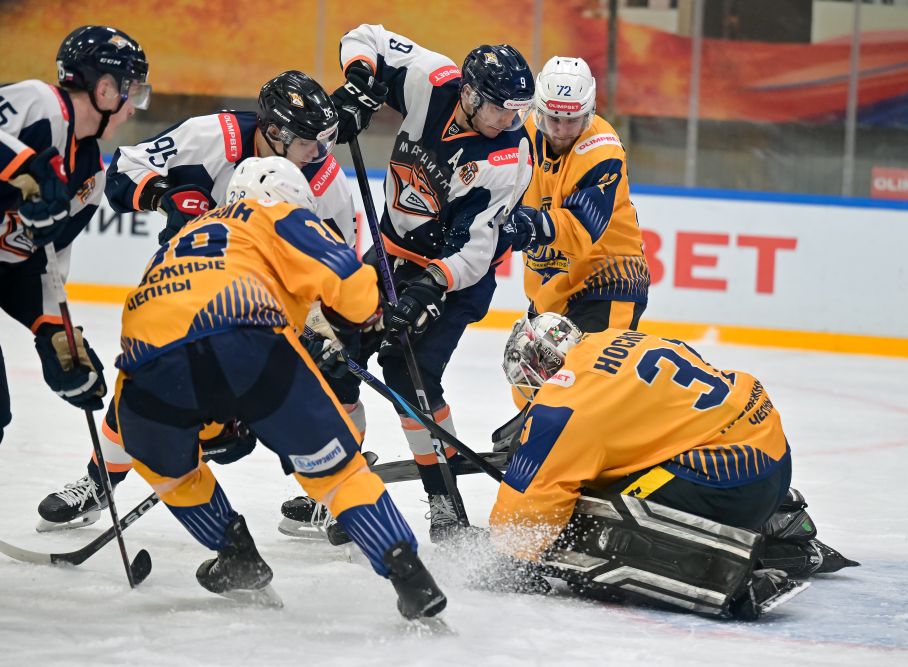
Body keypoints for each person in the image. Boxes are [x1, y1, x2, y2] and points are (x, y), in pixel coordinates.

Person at [110, 155, 445, 617]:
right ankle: (411, 578)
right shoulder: (273, 212)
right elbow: (348, 282)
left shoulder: (183, 238)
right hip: (248, 342)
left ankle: (236, 556)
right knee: (339, 476)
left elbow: (177, 329)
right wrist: (363, 316)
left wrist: (216, 425)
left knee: (170, 470)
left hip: (145, 367)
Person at [35, 70, 362, 533]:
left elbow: (337, 267)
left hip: (266, 303)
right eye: (309, 141)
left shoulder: (326, 184)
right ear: (274, 131)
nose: (319, 153)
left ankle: (332, 493)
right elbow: (123, 170)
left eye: (324, 140)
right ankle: (99, 482)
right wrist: (163, 195)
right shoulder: (211, 136)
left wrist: (320, 328)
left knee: (332, 378)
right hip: (187, 286)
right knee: (148, 374)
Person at [289, 24, 534, 543]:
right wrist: (360, 86)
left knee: (408, 373)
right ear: (470, 94)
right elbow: (366, 37)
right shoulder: (433, 80)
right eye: (501, 109)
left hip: (455, 279)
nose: (509, 121)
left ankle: (446, 505)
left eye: (518, 111)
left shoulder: (507, 158)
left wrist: (428, 287)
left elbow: (476, 251)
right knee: (334, 357)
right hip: (388, 255)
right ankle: (339, 487)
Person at [486, 313, 857, 619]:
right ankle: (777, 522)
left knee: (587, 530)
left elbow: (532, 501)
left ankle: (729, 574)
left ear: (542, 364)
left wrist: (511, 561)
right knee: (626, 472)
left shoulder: (562, 405)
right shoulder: (617, 338)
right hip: (770, 453)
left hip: (730, 483)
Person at [0, 25, 149, 445]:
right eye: (133, 92)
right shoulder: (37, 103)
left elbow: (36, 261)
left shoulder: (90, 179)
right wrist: (23, 170)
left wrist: (52, 329)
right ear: (105, 89)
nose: (133, 109)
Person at [502, 56, 649, 333]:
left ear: (589, 112)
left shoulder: (602, 150)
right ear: (538, 109)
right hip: (550, 291)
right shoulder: (521, 132)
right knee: (528, 363)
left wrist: (527, 225)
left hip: (608, 284)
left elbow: (581, 227)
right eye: (554, 119)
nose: (561, 131)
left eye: (572, 120)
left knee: (586, 363)